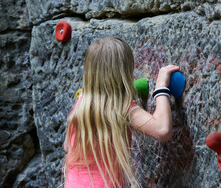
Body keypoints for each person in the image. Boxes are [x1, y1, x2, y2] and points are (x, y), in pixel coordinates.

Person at [63, 36, 180, 188]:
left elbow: (67, 146)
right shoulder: (123, 109)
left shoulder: (82, 103)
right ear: (125, 72)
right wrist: (161, 87)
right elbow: (162, 130)